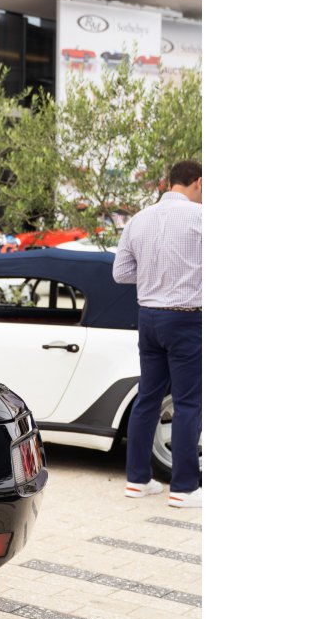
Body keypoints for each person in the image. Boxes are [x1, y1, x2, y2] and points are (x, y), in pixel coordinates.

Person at [112, 159, 202, 508]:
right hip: (186, 319)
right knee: (188, 403)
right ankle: (184, 488)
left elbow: (120, 273)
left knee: (148, 397)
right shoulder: (201, 218)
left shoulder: (139, 219)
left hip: (148, 318)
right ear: (197, 181)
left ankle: (137, 480)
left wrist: (154, 276)